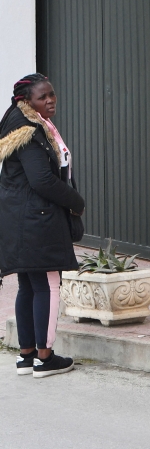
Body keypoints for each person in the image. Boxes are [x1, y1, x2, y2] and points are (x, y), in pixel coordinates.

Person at [0, 73, 84, 379]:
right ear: (26, 101)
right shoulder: (29, 131)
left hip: (20, 219)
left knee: (28, 285)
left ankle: (26, 356)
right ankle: (45, 358)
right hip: (38, 220)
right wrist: (75, 201)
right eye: (42, 97)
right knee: (48, 285)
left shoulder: (19, 121)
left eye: (52, 95)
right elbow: (42, 180)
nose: (50, 101)